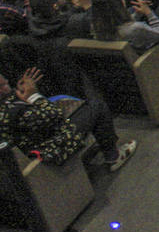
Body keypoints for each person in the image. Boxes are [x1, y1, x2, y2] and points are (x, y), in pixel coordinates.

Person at [0, 62, 137, 171]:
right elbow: (54, 115)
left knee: (71, 102)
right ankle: (113, 156)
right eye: (5, 84)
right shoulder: (13, 112)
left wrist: (23, 94)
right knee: (96, 107)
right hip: (50, 148)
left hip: (36, 141)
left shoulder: (6, 106)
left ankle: (100, 141)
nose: (7, 82)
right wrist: (33, 95)